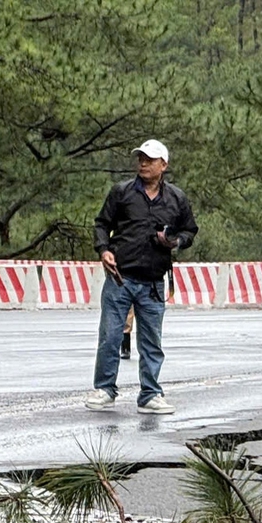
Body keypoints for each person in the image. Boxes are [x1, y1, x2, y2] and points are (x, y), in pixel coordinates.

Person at [87, 139, 198, 413]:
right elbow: (102, 224)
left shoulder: (177, 198)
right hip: (120, 278)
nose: (143, 163)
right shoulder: (121, 192)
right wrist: (103, 250)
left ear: (164, 165)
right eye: (141, 158)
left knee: (151, 342)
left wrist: (176, 242)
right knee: (110, 337)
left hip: (154, 282)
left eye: (150, 159)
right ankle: (105, 389)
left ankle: (150, 394)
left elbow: (190, 231)